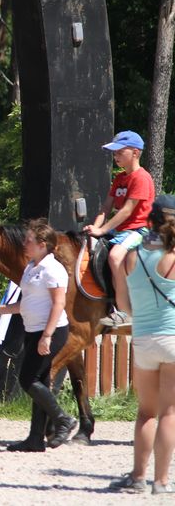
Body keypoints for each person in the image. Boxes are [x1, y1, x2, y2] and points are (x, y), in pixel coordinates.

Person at [0, 218, 76, 452]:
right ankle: (35, 439)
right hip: (33, 330)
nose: (24, 243)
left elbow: (58, 304)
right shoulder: (30, 267)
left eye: (29, 240)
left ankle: (63, 418)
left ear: (43, 244)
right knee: (40, 381)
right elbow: (25, 303)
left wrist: (47, 335)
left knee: (27, 380)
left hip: (50, 332)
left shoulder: (52, 269)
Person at [108, 194, 175, 495]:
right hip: (173, 337)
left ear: (151, 218)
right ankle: (161, 482)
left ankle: (138, 477)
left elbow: (124, 305)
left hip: (144, 338)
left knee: (146, 412)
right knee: (170, 413)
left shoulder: (131, 254)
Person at [83, 130, 155, 327]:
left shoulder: (142, 178)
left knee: (115, 257)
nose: (115, 157)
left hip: (139, 230)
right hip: (118, 231)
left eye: (119, 152)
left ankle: (125, 311)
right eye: (114, 153)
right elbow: (106, 207)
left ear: (135, 153)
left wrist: (102, 230)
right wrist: (94, 228)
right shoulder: (119, 179)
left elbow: (126, 211)